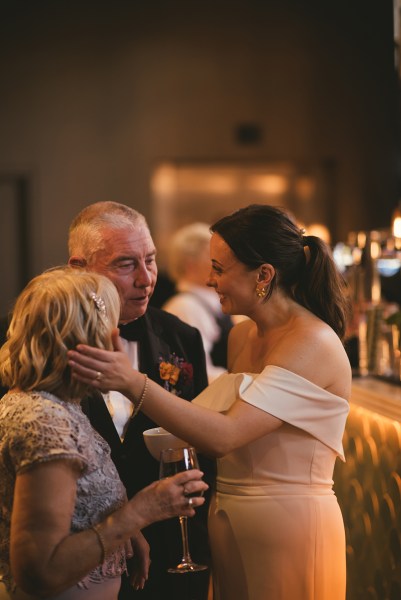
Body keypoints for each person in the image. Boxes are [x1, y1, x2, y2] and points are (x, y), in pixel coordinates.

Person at [68, 204, 352, 600]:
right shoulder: (239, 338)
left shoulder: (313, 342)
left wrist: (132, 383)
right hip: (223, 527)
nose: (208, 278)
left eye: (219, 268)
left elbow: (224, 436)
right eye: (127, 264)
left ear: (264, 276)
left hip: (287, 527)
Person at [0, 267, 207, 600]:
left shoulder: (55, 405)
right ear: (92, 336)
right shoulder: (45, 422)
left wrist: (123, 529)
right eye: (112, 324)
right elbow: (40, 571)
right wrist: (141, 510)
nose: (117, 335)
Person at [67, 201, 212, 600]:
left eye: (151, 259)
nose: (147, 279)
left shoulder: (181, 337)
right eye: (126, 264)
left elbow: (201, 449)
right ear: (79, 268)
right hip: (83, 558)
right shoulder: (48, 346)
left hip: (174, 552)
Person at [162, 222, 234, 381]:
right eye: (212, 259)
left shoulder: (212, 301)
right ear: (190, 265)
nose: (221, 264)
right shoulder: (185, 307)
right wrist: (248, 380)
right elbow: (198, 372)